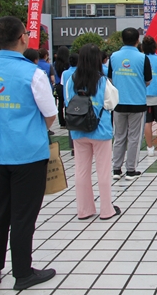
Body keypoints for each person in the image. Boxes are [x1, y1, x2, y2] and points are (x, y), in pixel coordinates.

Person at [0, 16, 57, 290]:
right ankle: (23, 273)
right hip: (28, 154)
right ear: (22, 38)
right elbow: (50, 114)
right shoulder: (33, 73)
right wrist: (32, 130)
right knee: (23, 216)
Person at [66, 44, 120, 220]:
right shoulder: (102, 81)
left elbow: (67, 102)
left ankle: (84, 209)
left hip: (78, 130)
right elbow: (112, 103)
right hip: (100, 130)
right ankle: (106, 210)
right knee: (103, 171)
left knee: (81, 170)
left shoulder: (71, 80)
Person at [109, 27, 152, 180]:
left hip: (118, 103)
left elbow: (110, 78)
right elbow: (148, 80)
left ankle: (116, 169)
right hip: (137, 102)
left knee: (119, 136)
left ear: (122, 39)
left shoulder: (113, 57)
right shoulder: (143, 58)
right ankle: (131, 170)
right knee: (134, 137)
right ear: (137, 40)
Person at [54, 46, 70, 128]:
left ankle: (61, 122)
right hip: (66, 84)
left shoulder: (55, 64)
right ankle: (67, 120)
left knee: (60, 104)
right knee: (67, 102)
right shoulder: (68, 64)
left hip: (58, 85)